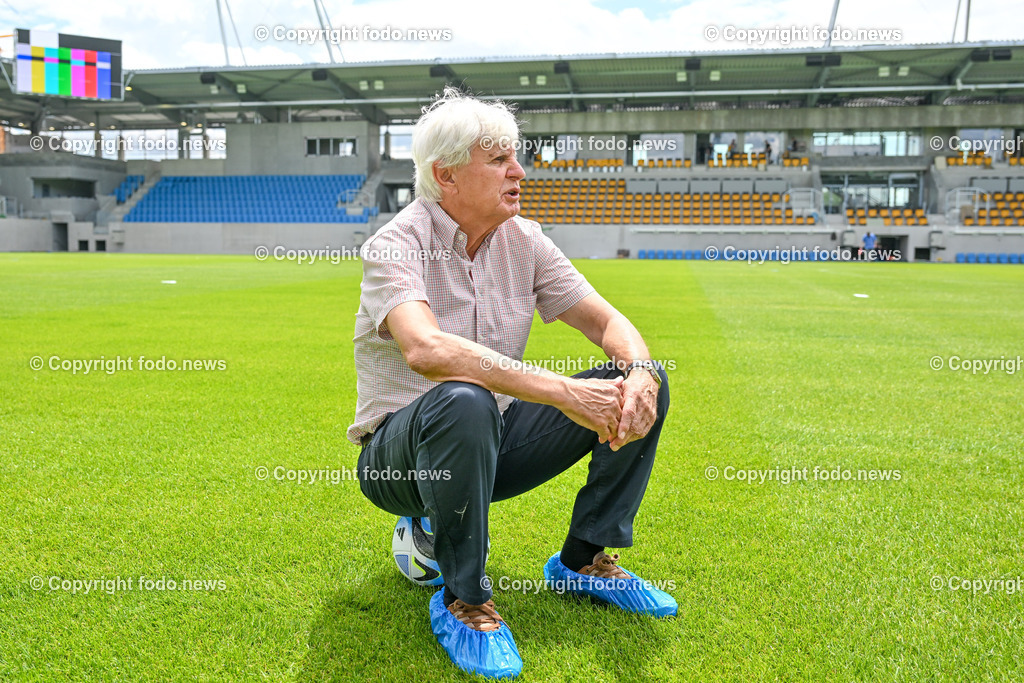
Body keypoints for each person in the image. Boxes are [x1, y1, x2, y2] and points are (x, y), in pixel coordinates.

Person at [349, 88, 675, 679]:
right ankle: (464, 599)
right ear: (446, 175)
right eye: (499, 160)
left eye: (515, 157)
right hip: (400, 462)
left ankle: (582, 561)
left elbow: (607, 322)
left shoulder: (525, 240)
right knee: (463, 399)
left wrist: (640, 372)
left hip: (491, 442)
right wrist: (564, 392)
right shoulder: (397, 243)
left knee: (636, 379)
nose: (519, 172)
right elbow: (426, 350)